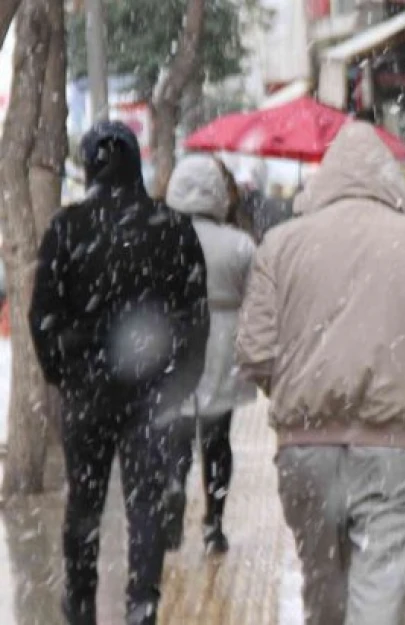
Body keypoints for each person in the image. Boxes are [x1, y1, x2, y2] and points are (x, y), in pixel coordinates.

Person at [236, 121, 405, 625]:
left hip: (305, 452)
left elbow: (255, 352)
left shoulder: (279, 245)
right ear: (389, 178)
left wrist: (302, 395)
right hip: (397, 448)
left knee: (325, 594)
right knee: (382, 591)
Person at [29, 121, 209, 625]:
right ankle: (141, 603)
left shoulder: (67, 228)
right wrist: (181, 379)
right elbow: (195, 316)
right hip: (152, 392)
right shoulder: (171, 226)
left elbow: (43, 314)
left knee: (84, 501)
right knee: (145, 504)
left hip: (87, 391)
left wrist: (62, 374)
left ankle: (82, 600)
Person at [163, 155, 258, 555]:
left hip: (176, 341)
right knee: (218, 440)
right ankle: (214, 521)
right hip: (223, 341)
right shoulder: (239, 243)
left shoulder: (162, 238)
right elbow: (258, 300)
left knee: (177, 437)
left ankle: (172, 493)